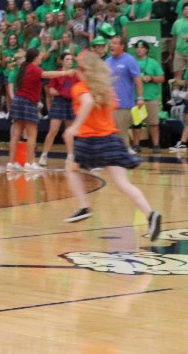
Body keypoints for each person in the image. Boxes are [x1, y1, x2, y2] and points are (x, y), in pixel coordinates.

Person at [62, 51, 162, 241]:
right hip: (112, 140)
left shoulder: (80, 88)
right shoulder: (106, 90)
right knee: (124, 184)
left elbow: (88, 102)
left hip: (90, 141)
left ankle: (83, 206)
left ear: (83, 70)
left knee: (71, 168)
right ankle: (151, 215)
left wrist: (74, 127)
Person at [7, 48, 75, 171]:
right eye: (39, 57)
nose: (41, 59)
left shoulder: (25, 67)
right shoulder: (34, 68)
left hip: (18, 101)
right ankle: (30, 163)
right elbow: (47, 74)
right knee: (32, 133)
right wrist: (66, 73)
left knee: (16, 134)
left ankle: (11, 163)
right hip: (27, 102)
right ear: (35, 58)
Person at [104, 36, 145, 150]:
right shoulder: (107, 61)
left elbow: (137, 80)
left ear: (122, 47)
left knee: (121, 132)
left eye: (115, 43)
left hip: (123, 104)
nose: (112, 45)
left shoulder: (130, 60)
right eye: (111, 43)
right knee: (109, 133)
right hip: (109, 104)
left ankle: (125, 156)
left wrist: (140, 97)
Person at [39, 53, 79, 166]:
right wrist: (63, 93)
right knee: (53, 130)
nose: (70, 61)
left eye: (71, 59)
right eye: (67, 59)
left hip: (70, 103)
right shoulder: (57, 73)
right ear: (62, 61)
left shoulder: (76, 74)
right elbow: (51, 91)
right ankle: (44, 155)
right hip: (59, 102)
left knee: (69, 130)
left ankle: (70, 155)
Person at [131, 41, 165, 153]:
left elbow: (162, 78)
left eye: (141, 48)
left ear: (146, 49)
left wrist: (151, 78)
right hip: (137, 97)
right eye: (137, 48)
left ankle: (156, 144)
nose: (138, 50)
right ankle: (136, 144)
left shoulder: (153, 63)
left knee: (153, 123)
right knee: (136, 123)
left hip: (151, 97)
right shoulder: (133, 62)